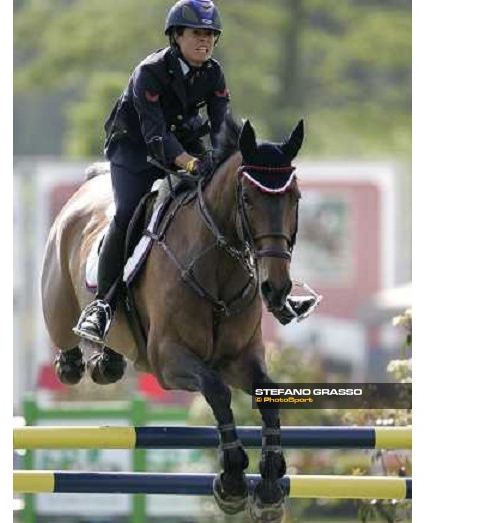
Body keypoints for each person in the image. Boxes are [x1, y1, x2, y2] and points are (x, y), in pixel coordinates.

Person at [74, 0, 319, 344]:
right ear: (176, 36)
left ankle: (275, 295)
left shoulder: (213, 73)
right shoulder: (150, 72)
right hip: (134, 150)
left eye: (210, 35)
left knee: (227, 205)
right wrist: (190, 163)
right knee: (128, 213)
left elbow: (223, 129)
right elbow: (156, 136)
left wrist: (232, 161)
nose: (205, 41)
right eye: (197, 34)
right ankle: (102, 306)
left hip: (184, 145)